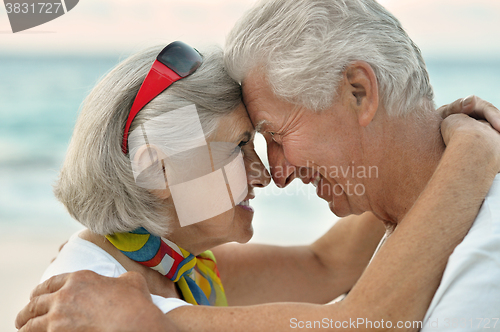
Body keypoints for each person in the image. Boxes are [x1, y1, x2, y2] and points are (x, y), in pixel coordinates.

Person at [15, 1, 500, 332]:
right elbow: (362, 321)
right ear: (157, 169)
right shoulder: (96, 305)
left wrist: (416, 132)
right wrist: (470, 154)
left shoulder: (177, 268)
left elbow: (326, 265)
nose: (265, 172)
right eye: (241, 146)